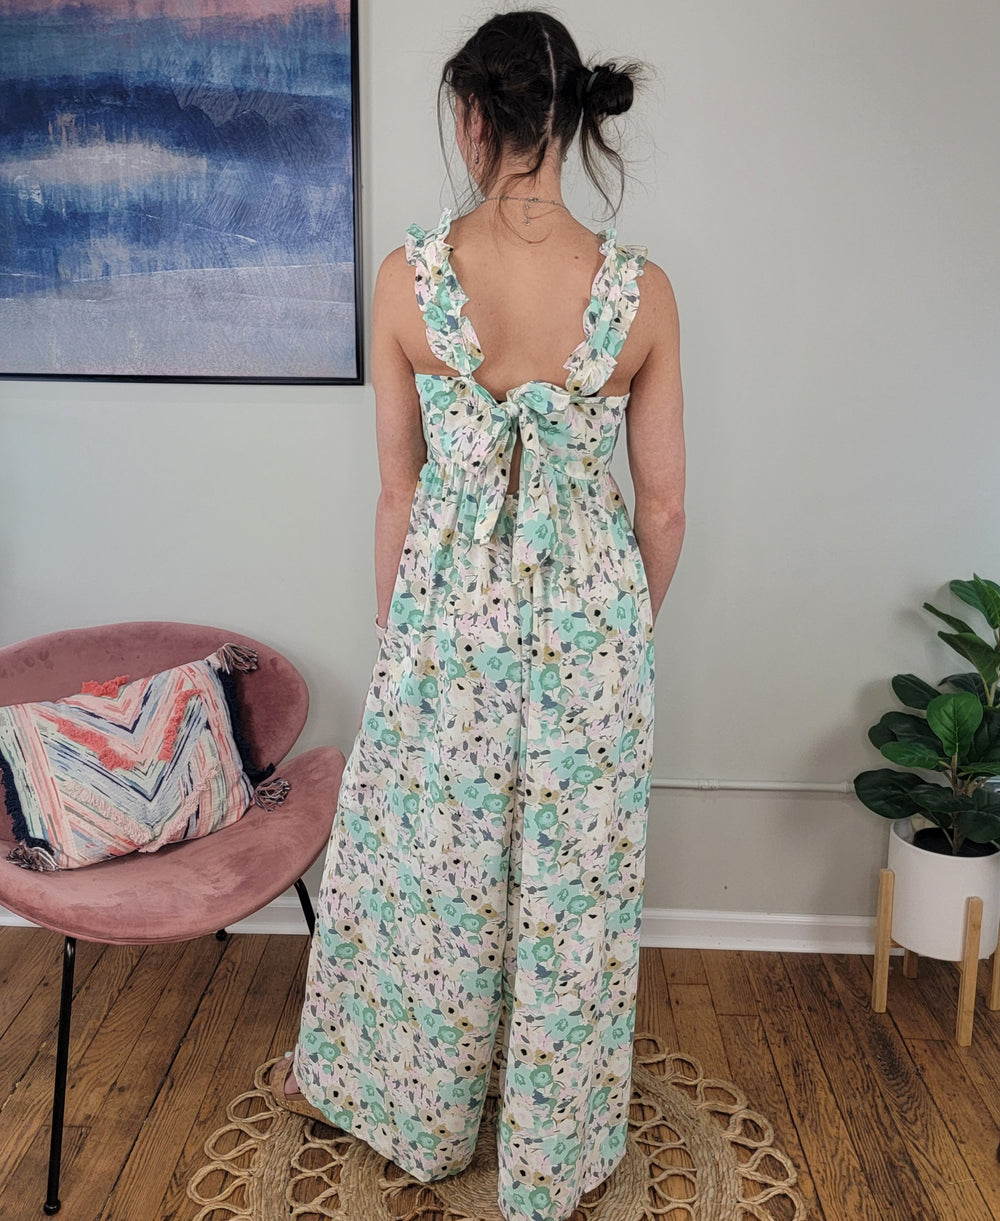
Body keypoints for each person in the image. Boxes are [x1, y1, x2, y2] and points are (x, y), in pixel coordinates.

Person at [269, 10, 685, 1221]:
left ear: (472, 117)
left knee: (434, 884)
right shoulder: (641, 292)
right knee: (569, 896)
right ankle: (549, 1158)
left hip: (448, 632)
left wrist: (406, 635)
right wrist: (618, 631)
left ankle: (424, 1116)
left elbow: (397, 489)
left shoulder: (407, 277)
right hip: (589, 636)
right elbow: (659, 509)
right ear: (570, 121)